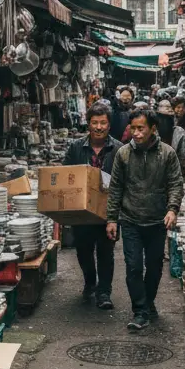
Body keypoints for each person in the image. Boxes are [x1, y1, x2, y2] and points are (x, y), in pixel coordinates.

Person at [106, 109, 184, 331]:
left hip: (157, 221)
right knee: (133, 267)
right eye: (133, 129)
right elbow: (115, 188)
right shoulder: (123, 154)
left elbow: (175, 184)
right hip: (130, 220)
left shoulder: (167, 154)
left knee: (155, 267)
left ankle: (149, 302)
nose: (137, 133)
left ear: (152, 129)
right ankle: (139, 310)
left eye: (141, 129)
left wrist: (172, 210)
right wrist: (112, 219)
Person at [63, 102, 121, 309]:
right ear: (88, 124)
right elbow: (65, 176)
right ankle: (90, 282)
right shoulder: (76, 147)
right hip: (82, 211)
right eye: (95, 122)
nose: (99, 127)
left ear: (109, 125)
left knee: (106, 252)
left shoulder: (119, 150)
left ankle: (104, 292)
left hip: (108, 210)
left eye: (103, 123)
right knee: (83, 251)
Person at [156, 99, 185, 176]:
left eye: (168, 118)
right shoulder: (151, 133)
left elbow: (182, 158)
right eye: (162, 118)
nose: (164, 121)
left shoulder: (179, 132)